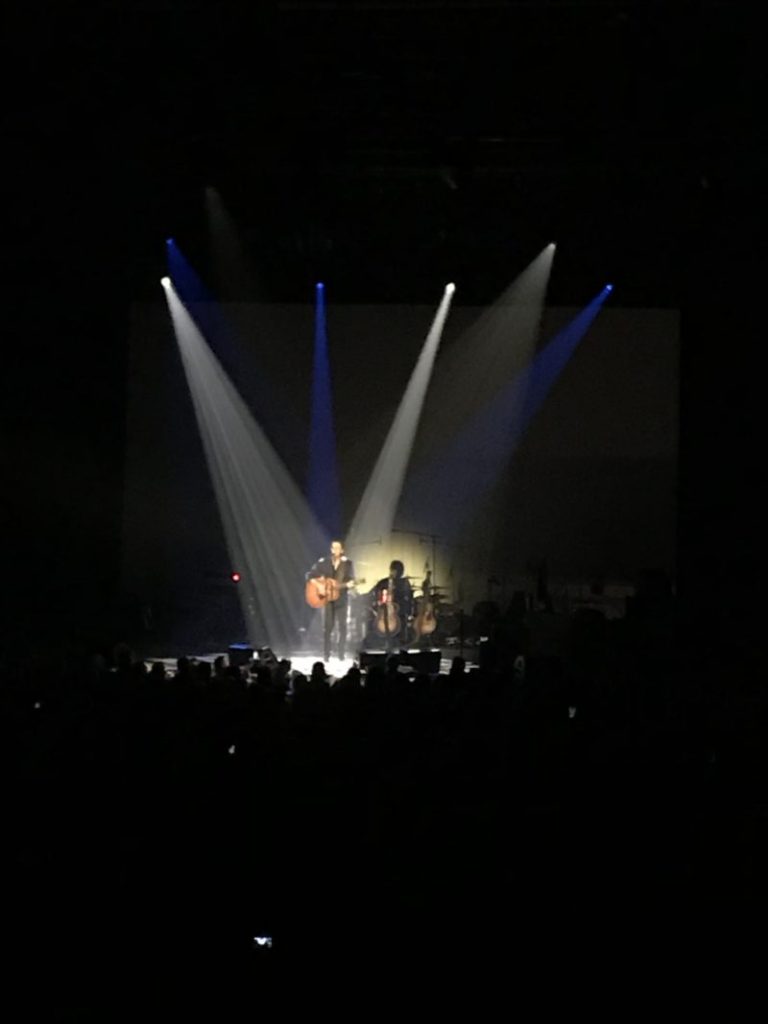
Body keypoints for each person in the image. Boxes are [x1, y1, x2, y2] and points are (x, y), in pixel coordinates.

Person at [307, 539, 356, 662]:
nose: (335, 550)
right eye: (333, 548)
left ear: (342, 550)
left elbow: (351, 579)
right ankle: (326, 654)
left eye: (338, 548)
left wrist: (350, 584)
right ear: (331, 549)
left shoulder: (348, 563)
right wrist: (319, 586)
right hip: (328, 599)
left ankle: (341, 654)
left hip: (342, 599)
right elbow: (310, 575)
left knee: (342, 627)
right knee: (328, 627)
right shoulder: (324, 562)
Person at [371, 560, 414, 650]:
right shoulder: (384, 582)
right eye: (393, 570)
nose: (394, 572)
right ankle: (384, 642)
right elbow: (374, 591)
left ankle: (399, 644)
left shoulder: (404, 582)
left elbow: (409, 597)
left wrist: (409, 611)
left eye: (397, 570)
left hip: (399, 611)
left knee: (401, 626)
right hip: (386, 611)